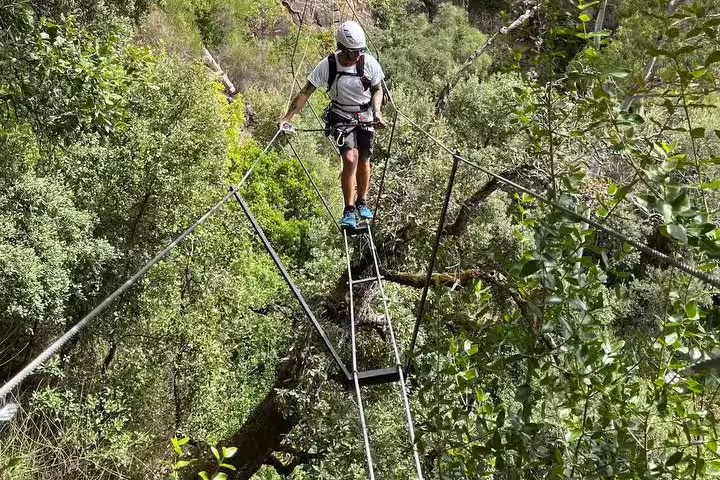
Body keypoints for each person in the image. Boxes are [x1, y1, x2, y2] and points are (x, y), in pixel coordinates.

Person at [279, 20, 387, 230]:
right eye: (350, 53)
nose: (355, 57)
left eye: (358, 52)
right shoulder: (327, 65)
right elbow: (305, 92)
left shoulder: (369, 63)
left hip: (365, 114)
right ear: (340, 48)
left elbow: (378, 89)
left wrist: (377, 112)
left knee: (364, 159)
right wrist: (287, 117)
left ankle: (362, 201)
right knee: (350, 158)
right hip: (340, 115)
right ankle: (349, 209)